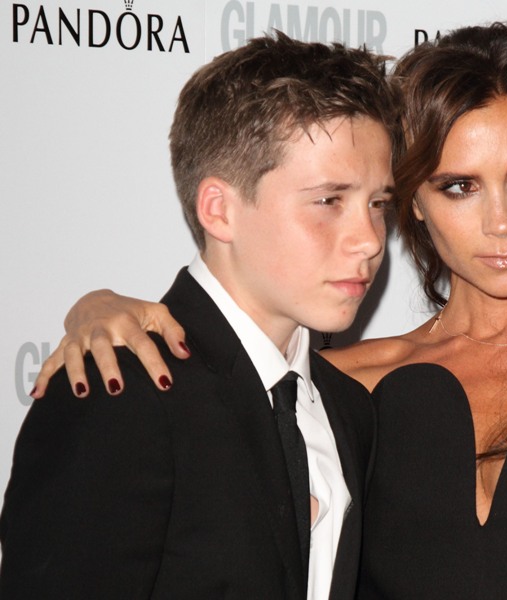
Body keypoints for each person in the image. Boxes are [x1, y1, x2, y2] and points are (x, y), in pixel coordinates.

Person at [29, 23, 507, 599]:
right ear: (412, 199)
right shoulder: (339, 395)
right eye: (459, 187)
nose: (501, 222)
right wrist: (98, 307)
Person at [0, 32, 399, 599]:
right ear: (219, 210)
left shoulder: (347, 409)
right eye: (329, 201)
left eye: (378, 204)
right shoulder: (120, 391)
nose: (370, 240)